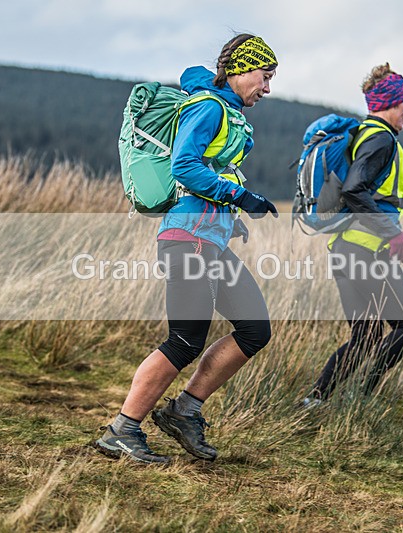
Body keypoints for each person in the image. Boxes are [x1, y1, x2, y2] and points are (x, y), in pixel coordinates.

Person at [95, 34, 279, 463]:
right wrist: (241, 199)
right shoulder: (208, 107)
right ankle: (122, 430)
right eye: (265, 77)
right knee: (184, 340)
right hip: (187, 241)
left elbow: (205, 175)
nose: (267, 88)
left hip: (207, 238)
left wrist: (228, 222)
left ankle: (184, 411)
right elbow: (185, 167)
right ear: (240, 69)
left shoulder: (225, 109)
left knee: (255, 330)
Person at [303, 63, 403, 406]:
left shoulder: (365, 136)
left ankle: (316, 401)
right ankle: (362, 398)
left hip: (345, 249)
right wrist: (393, 233)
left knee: (367, 337)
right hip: (366, 251)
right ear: (390, 101)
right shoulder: (381, 139)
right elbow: (355, 190)